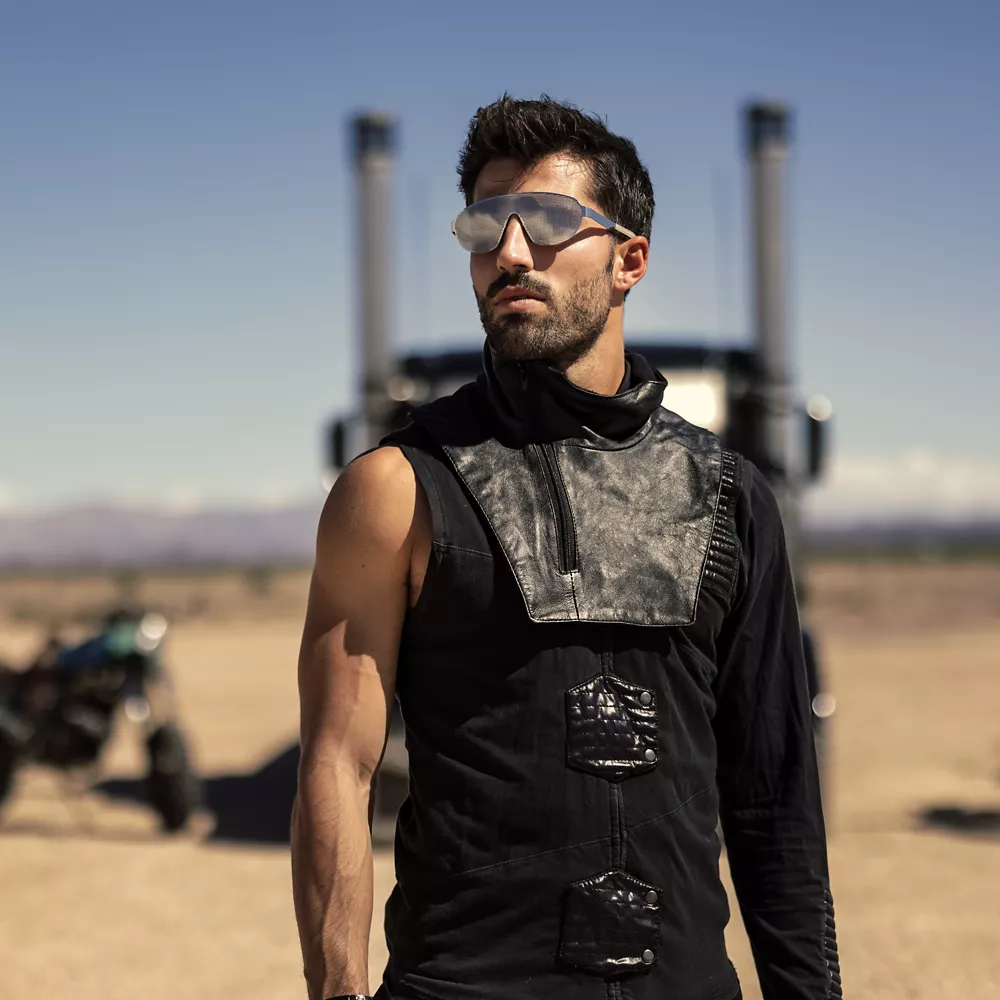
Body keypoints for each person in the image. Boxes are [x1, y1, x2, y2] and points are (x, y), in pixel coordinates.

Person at [291, 95, 841, 1000]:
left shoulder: (734, 497)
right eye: (483, 228)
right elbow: (338, 767)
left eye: (546, 222)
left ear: (630, 260)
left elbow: (774, 799)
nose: (508, 253)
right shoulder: (393, 489)